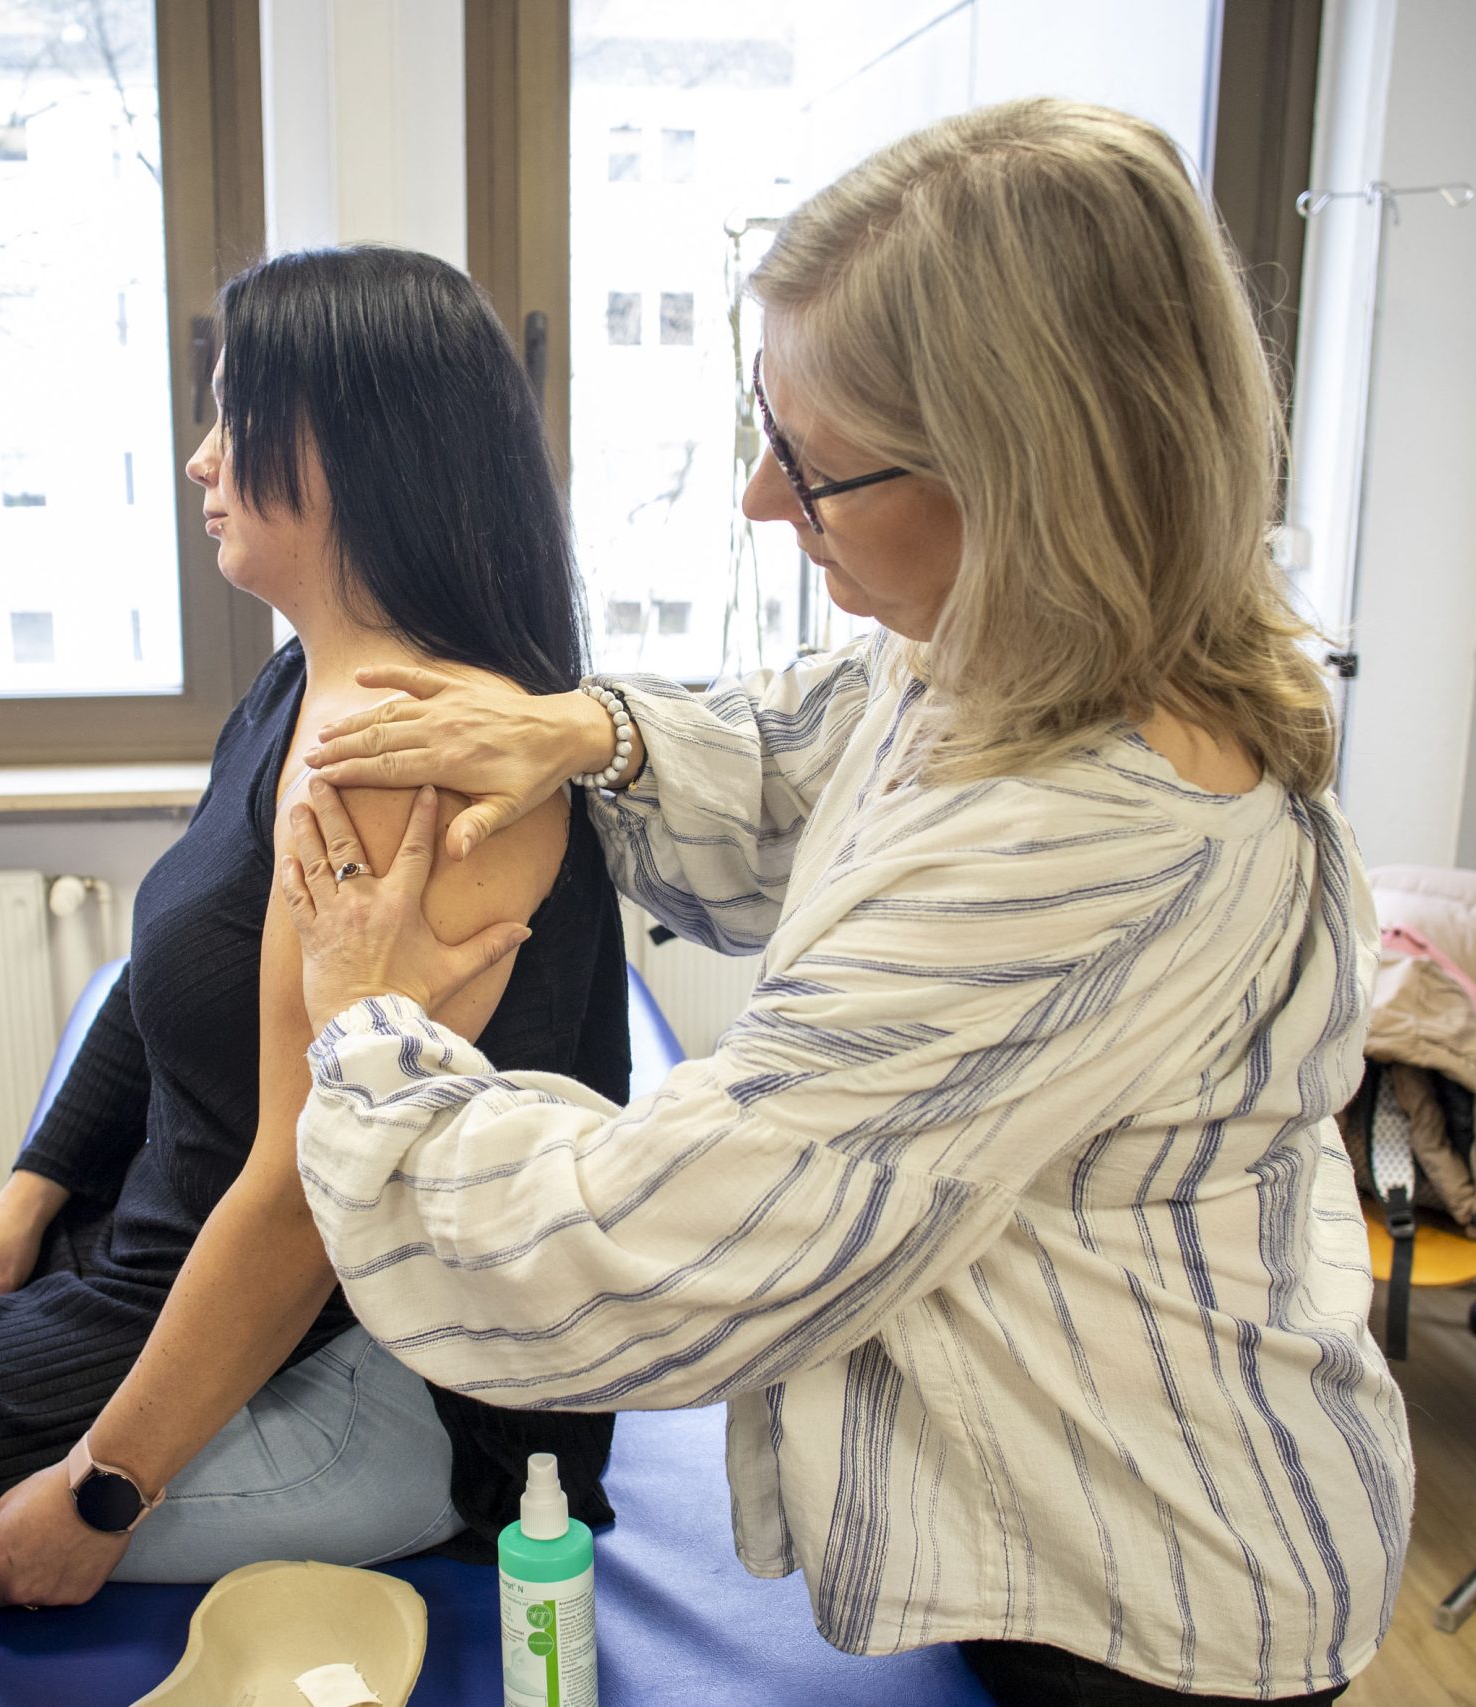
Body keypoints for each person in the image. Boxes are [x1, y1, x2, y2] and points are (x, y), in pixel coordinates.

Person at [280, 100, 1414, 1704]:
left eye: (810, 466)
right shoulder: (1022, 648)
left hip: (1158, 1591)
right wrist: (585, 729)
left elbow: (657, 1248)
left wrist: (367, 1030)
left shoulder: (1090, 845)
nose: (760, 499)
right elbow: (821, 737)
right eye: (766, 425)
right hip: (1075, 1499)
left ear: (1024, 478)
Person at [0, 245, 628, 1610]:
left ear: (349, 452)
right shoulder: (298, 685)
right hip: (152, 1263)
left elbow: (308, 1204)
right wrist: (21, 1202)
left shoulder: (404, 765)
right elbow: (167, 971)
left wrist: (102, 1489)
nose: (203, 461)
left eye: (234, 421)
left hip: (358, 1382)